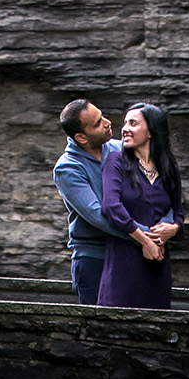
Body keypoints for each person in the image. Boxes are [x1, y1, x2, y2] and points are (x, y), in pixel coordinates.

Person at [97, 101, 184, 309]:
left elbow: (178, 213)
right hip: (123, 262)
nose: (125, 128)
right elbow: (110, 206)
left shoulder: (169, 167)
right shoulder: (116, 162)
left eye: (133, 123)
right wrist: (144, 240)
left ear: (151, 131)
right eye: (125, 123)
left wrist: (173, 229)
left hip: (157, 265)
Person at [52, 97, 123, 304]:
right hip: (95, 259)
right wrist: (142, 235)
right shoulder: (68, 168)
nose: (108, 122)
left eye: (102, 116)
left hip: (130, 253)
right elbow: (96, 215)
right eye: (98, 123)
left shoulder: (121, 150)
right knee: (100, 329)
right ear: (81, 137)